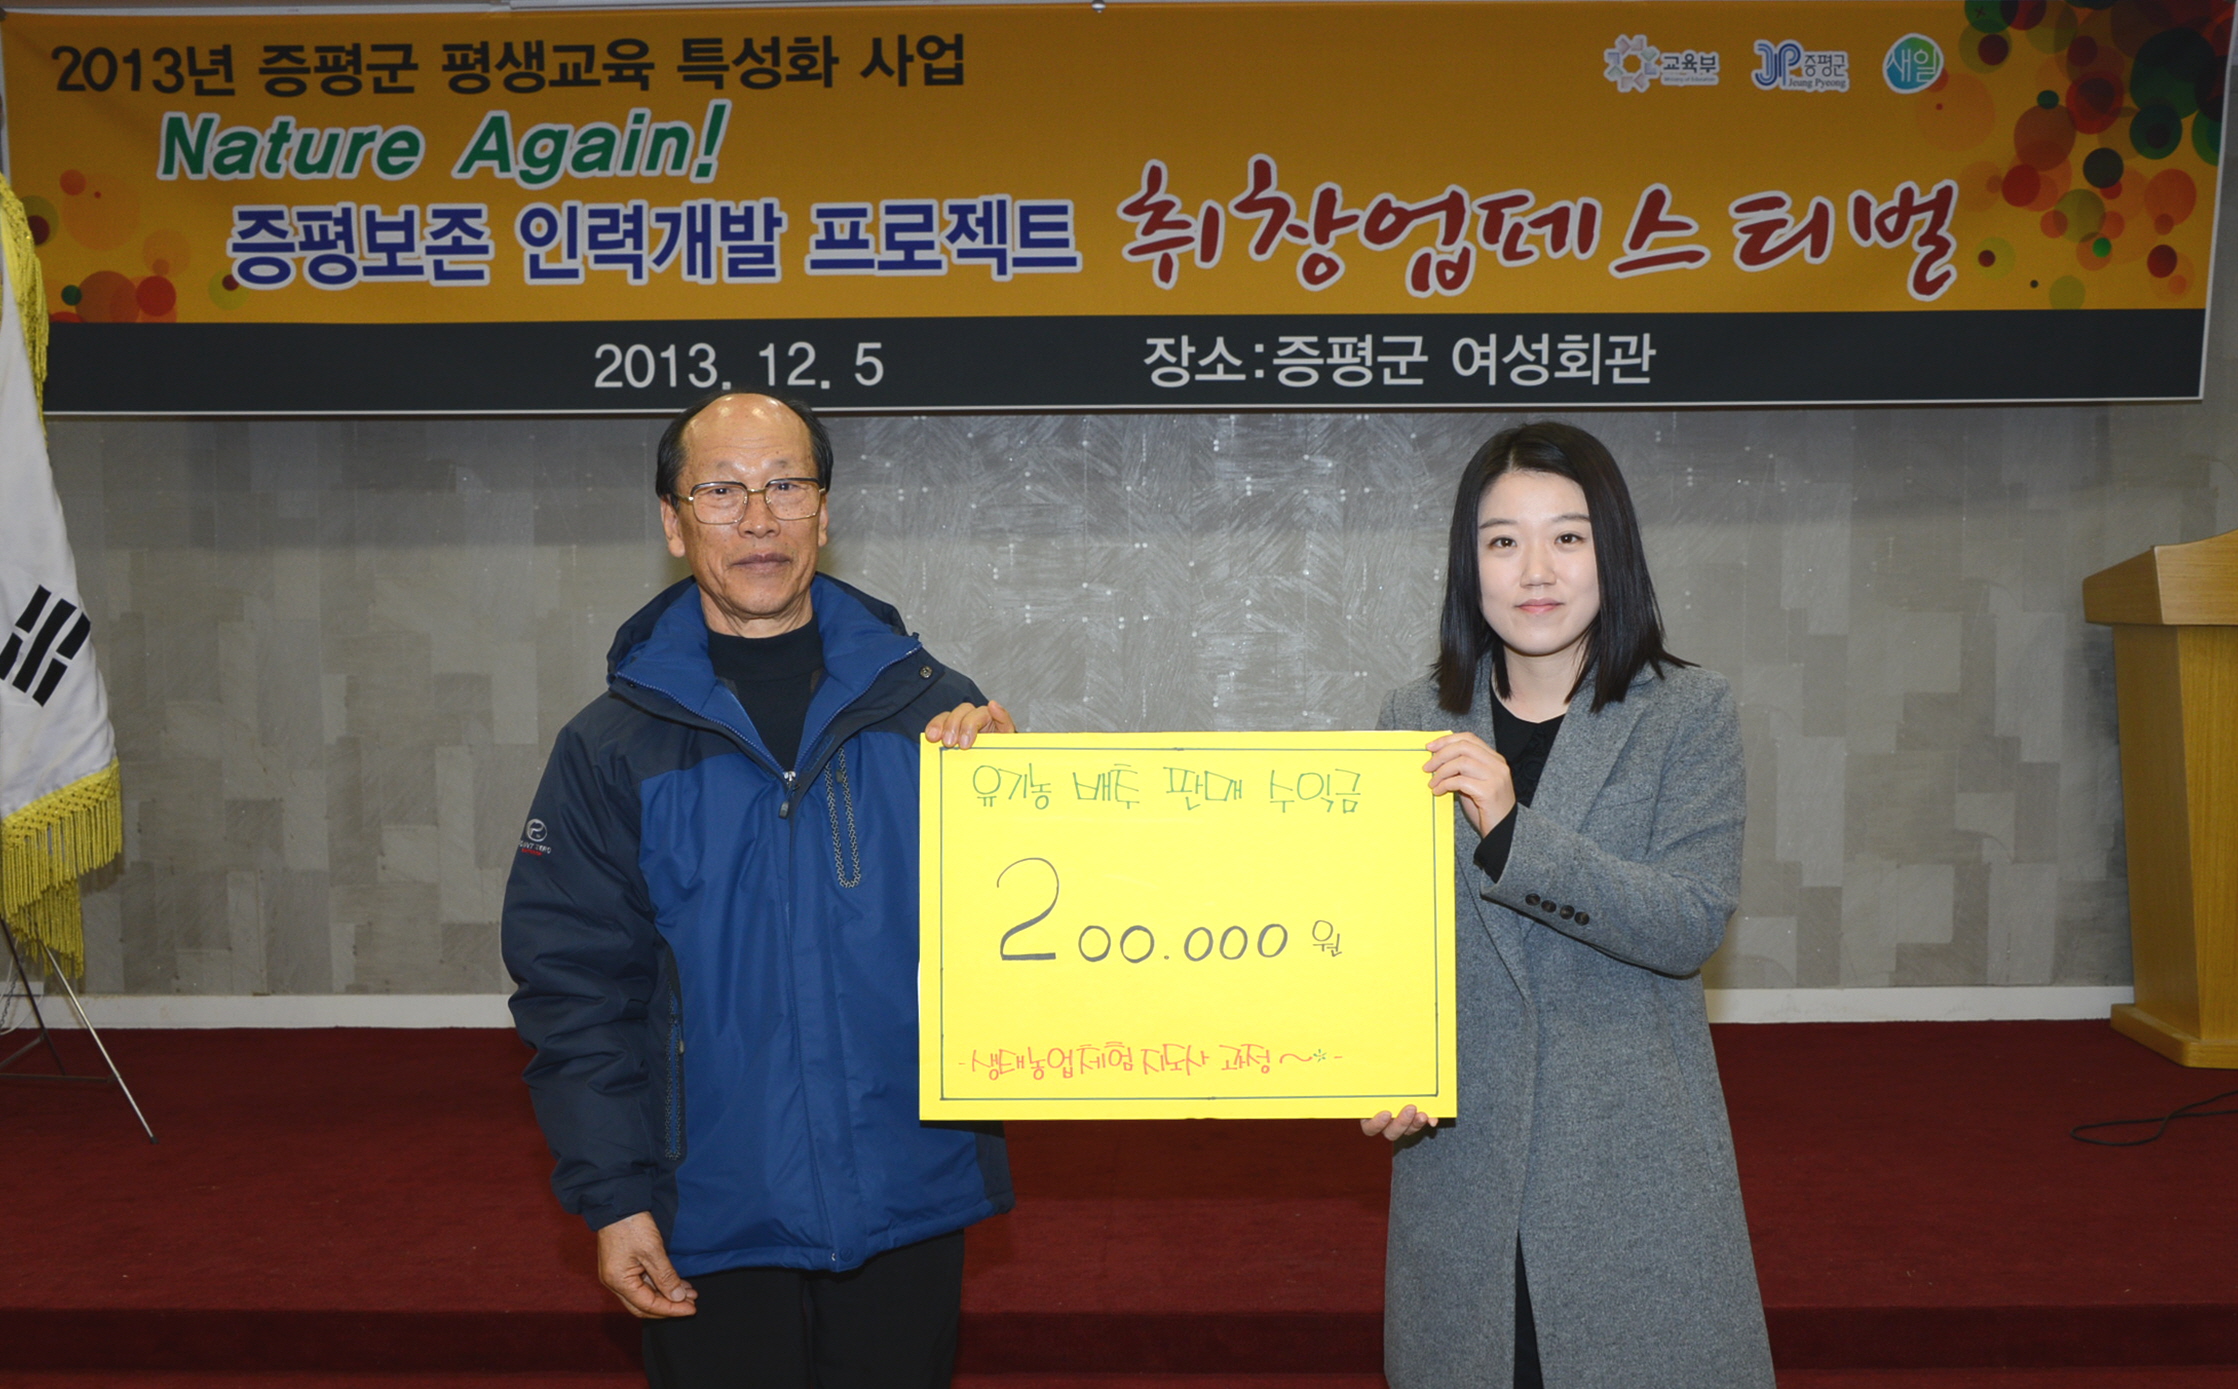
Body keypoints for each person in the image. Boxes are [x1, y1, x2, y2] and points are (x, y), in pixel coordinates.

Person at [501, 392, 1016, 1389]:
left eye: (786, 486)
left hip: (907, 1185)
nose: (758, 518)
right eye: (722, 491)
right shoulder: (610, 747)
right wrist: (615, 1198)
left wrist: (1017, 797)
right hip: (707, 1202)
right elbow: (576, 991)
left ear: (825, 512)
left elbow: (1022, 938)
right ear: (673, 520)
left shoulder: (939, 717)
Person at [1363, 422, 1774, 1388]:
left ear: (1611, 551)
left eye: (1568, 537)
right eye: (1503, 540)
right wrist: (1386, 1065)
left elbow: (1687, 923)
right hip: (1462, 1161)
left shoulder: (1687, 711)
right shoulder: (1413, 719)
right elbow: (1393, 940)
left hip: (1626, 1157)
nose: (1535, 570)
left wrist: (1515, 833)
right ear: (1469, 564)